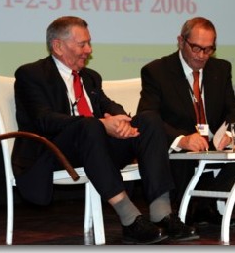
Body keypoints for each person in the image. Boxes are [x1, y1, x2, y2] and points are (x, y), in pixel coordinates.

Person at [12, 16, 198, 244]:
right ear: (58, 46)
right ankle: (130, 219)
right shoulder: (32, 74)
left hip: (95, 149)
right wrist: (101, 124)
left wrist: (121, 122)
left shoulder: (90, 77)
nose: (88, 50)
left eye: (89, 43)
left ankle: (162, 213)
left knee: (149, 120)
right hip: (54, 152)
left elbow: (109, 105)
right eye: (82, 44)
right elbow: (44, 120)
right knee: (89, 124)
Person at [137, 17, 235, 226]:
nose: (202, 56)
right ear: (180, 41)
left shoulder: (221, 69)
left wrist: (229, 135)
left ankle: (204, 204)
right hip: (180, 147)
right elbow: (147, 116)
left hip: (212, 144)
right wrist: (181, 139)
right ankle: (194, 207)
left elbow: (234, 111)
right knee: (185, 154)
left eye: (208, 49)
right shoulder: (157, 71)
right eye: (196, 48)